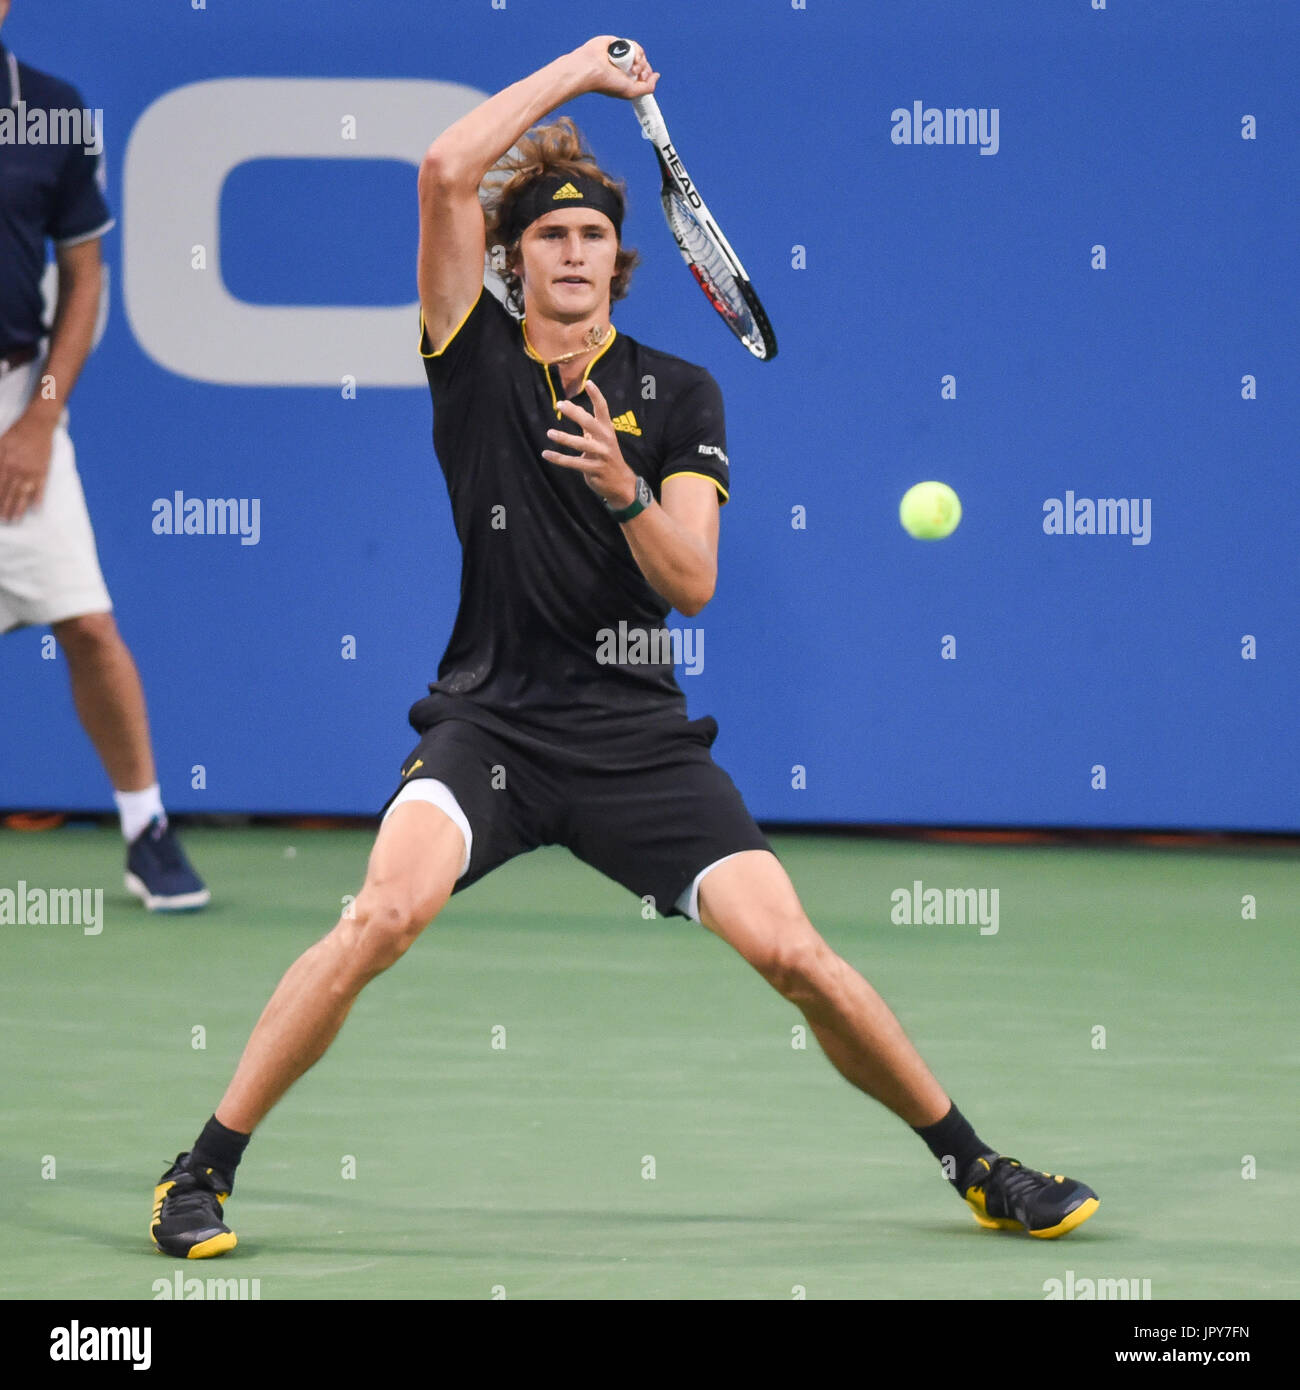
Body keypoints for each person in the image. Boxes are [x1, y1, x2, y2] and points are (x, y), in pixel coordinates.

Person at [148, 36, 1096, 1260]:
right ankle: (201, 1170)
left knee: (796, 953)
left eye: (593, 235)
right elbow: (444, 166)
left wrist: (623, 490)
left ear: (620, 259)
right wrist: (578, 74)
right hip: (488, 720)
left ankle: (977, 1164)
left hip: (633, 737)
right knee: (378, 916)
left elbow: (690, 584)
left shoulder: (679, 393)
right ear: (514, 260)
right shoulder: (470, 358)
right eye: (549, 235)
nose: (575, 252)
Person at [0, 1, 208, 910]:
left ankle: (145, 828)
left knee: (85, 623)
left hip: (17, 399)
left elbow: (84, 277)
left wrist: (40, 419)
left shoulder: (49, 110)